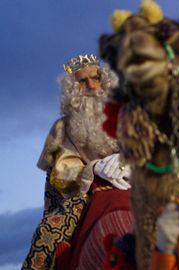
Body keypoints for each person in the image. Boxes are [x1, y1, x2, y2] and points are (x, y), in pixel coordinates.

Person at [22, 54, 130, 270]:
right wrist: (94, 168)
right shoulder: (63, 128)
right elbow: (62, 172)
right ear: (73, 89)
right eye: (82, 81)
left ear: (105, 81)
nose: (91, 85)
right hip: (89, 191)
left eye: (96, 78)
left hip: (138, 179)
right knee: (49, 233)